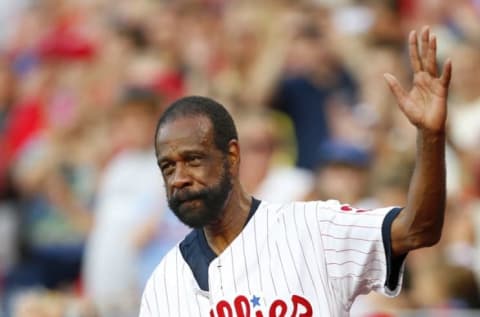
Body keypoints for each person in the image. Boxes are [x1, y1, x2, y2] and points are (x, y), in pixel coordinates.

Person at [139, 26, 452, 316]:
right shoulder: (164, 283)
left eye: (193, 160)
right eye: (167, 167)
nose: (179, 178)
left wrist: (430, 136)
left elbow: (418, 229)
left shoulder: (313, 229)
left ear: (232, 156)